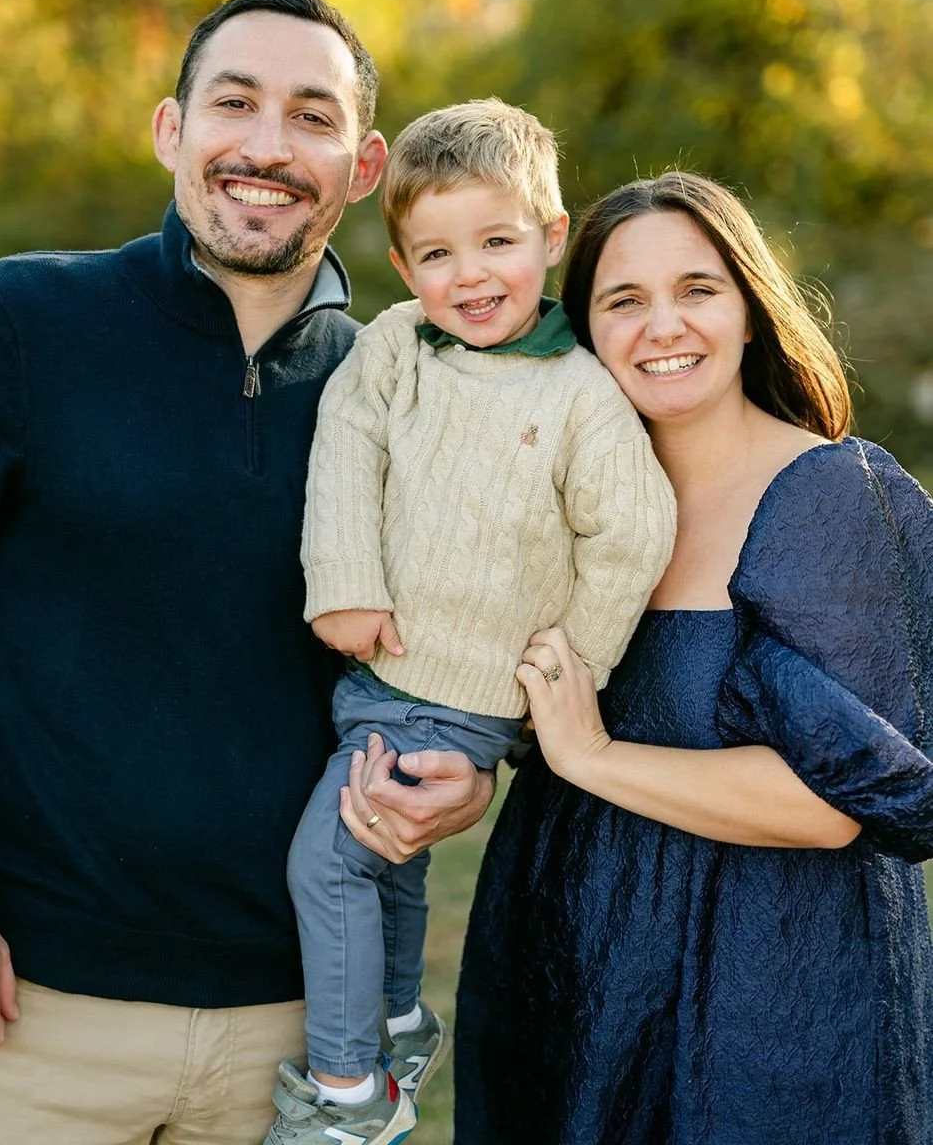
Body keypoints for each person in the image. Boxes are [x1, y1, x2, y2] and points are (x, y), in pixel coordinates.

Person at [0, 0, 492, 1145]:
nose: (266, 145)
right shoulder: (19, 324)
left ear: (364, 163)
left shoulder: (412, 388)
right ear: (170, 130)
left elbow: (467, 631)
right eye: (233, 102)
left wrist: (472, 769)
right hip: (20, 1021)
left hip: (301, 1040)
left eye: (311, 115)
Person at [454, 170, 933, 1144]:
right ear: (583, 336)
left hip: (767, 1005)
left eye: (696, 289)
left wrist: (590, 756)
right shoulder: (570, 506)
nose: (660, 325)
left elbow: (826, 805)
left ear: (749, 312)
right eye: (622, 300)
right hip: (570, 977)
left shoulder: (831, 497)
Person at [267, 99, 676, 1144]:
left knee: (329, 860)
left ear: (549, 238)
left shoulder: (582, 390)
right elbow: (346, 446)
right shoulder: (397, 346)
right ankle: (398, 1021)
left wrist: (562, 673)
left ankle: (347, 1095)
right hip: (380, 668)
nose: (471, 275)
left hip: (463, 695)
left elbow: (628, 533)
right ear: (404, 268)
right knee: (387, 857)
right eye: (438, 253)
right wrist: (345, 580)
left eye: (497, 241)